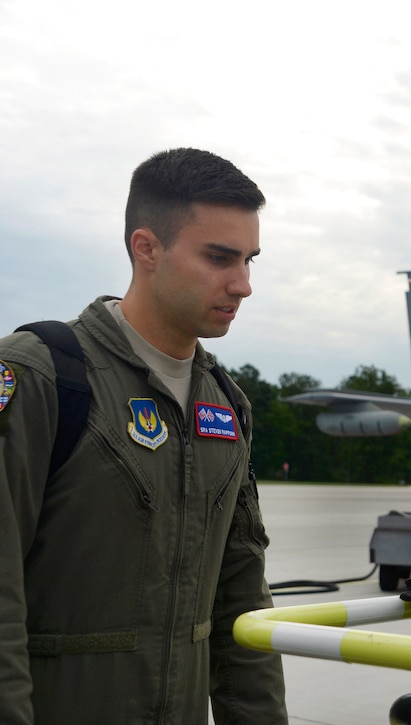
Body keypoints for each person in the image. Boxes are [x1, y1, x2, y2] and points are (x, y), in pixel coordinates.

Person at [0, 148, 288, 723]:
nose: (243, 284)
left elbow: (242, 601)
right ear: (146, 248)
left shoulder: (226, 405)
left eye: (251, 260)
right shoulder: (39, 377)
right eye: (219, 258)